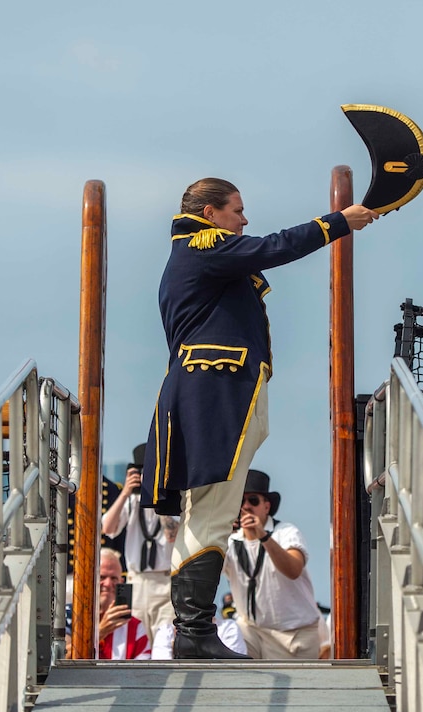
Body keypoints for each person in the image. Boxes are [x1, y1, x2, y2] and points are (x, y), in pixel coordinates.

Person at [141, 177, 378, 659]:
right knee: (210, 513)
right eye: (237, 210)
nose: (244, 221)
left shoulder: (199, 253)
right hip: (216, 393)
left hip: (217, 392)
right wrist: (338, 223)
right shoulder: (202, 245)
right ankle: (194, 633)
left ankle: (194, 630)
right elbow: (273, 247)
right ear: (210, 214)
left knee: (209, 512)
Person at [222, 471, 322, 659]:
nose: (246, 507)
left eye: (253, 500)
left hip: (294, 636)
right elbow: (208, 570)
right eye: (240, 501)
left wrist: (263, 536)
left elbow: (293, 570)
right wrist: (221, 531)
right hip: (253, 632)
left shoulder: (285, 532)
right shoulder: (230, 540)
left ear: (266, 507)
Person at [101, 444, 176, 643]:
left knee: (164, 644)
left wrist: (161, 499)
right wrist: (125, 492)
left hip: (165, 582)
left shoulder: (175, 502)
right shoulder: (131, 501)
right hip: (137, 581)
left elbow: (171, 536)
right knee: (137, 640)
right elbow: (107, 528)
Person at [96, 547, 151, 660]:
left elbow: (143, 673)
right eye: (102, 577)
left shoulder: (135, 627)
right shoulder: (70, 616)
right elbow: (62, 659)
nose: (108, 583)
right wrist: (100, 632)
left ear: (121, 583)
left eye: (114, 578)